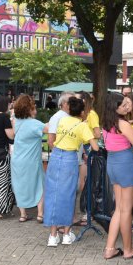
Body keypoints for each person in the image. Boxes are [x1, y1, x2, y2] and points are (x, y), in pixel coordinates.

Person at [102, 92, 133, 259]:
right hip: (126, 165)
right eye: (122, 105)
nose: (126, 107)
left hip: (112, 164)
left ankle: (110, 249)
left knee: (119, 208)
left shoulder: (107, 123)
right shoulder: (123, 124)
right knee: (126, 210)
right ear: (114, 107)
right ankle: (128, 250)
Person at [44, 97, 98, 247]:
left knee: (53, 194)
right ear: (81, 112)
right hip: (69, 158)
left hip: (55, 156)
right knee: (68, 195)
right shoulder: (82, 126)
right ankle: (66, 234)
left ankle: (52, 235)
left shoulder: (62, 121)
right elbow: (95, 147)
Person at [11, 94, 48, 223]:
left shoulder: (16, 120)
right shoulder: (35, 124)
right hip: (31, 160)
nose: (36, 110)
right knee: (40, 184)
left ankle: (23, 214)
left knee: (19, 185)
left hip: (16, 159)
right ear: (30, 109)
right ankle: (40, 214)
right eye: (34, 107)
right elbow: (49, 129)